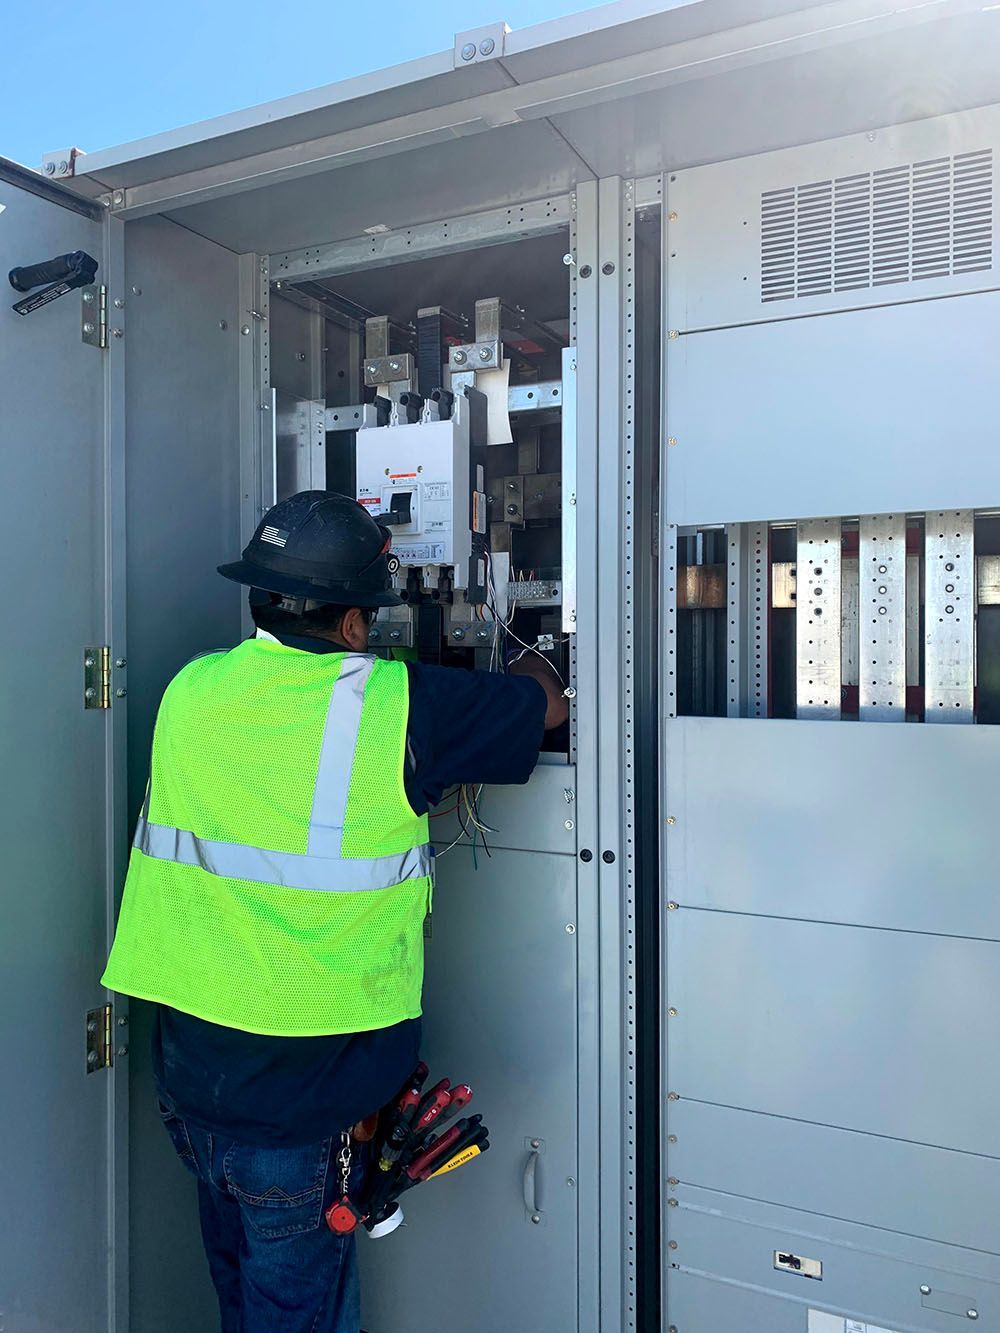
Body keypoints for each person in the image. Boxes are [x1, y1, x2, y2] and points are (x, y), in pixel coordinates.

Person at [101, 490, 567, 1333]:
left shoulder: (190, 690)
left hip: (192, 1086)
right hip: (299, 1111)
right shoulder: (396, 706)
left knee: (243, 1296)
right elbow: (541, 708)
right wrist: (553, 657)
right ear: (355, 626)